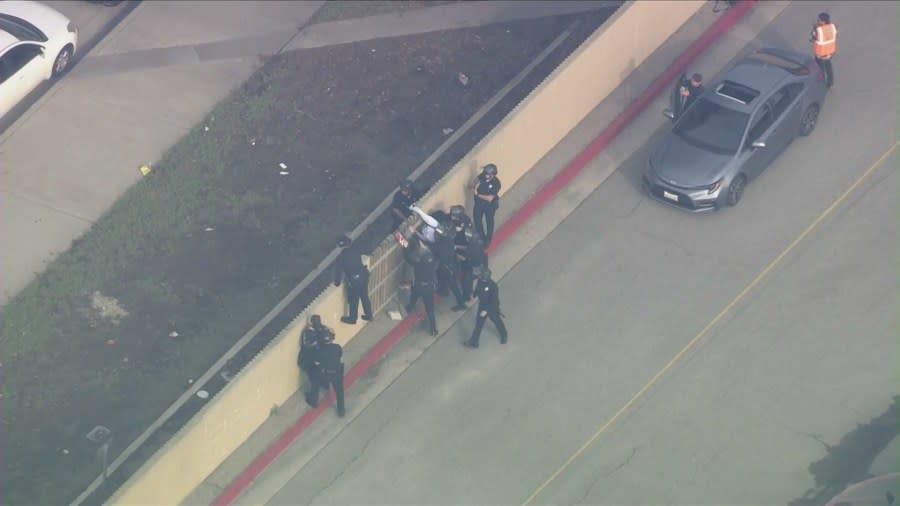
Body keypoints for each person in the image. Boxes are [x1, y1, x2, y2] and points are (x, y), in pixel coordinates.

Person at [400, 230, 439, 336]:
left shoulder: (418, 266)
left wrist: (404, 246)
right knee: (430, 309)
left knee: (414, 296)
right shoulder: (432, 264)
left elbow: (408, 258)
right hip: (429, 288)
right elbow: (428, 252)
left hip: (419, 287)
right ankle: (434, 329)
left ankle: (409, 307)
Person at [305, 329, 345, 417]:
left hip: (324, 374)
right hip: (337, 373)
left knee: (315, 380)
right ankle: (341, 411)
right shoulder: (337, 347)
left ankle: (313, 400)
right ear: (331, 338)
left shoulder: (318, 351)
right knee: (339, 392)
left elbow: (316, 363)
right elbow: (341, 360)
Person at [333, 235, 373, 324]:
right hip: (364, 275)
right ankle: (369, 315)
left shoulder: (341, 257)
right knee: (364, 296)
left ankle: (352, 318)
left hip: (355, 279)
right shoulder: (355, 250)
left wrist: (337, 283)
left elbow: (338, 272)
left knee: (354, 299)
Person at [464, 268, 508, 348]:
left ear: (485, 277)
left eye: (481, 276)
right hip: (482, 305)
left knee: (497, 322)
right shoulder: (480, 281)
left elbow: (494, 301)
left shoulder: (493, 286)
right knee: (478, 325)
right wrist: (474, 295)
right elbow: (478, 289)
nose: (479, 277)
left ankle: (504, 335)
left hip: (491, 308)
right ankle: (474, 342)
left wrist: (486, 310)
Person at [432, 222, 467, 311]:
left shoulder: (438, 246)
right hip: (453, 265)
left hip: (447, 269)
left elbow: (432, 249)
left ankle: (461, 303)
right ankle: (444, 290)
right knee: (448, 281)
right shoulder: (449, 240)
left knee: (453, 286)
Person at [297, 314, 330, 393]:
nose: (317, 323)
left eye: (318, 321)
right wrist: (318, 342)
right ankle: (315, 393)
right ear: (312, 322)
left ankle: (325, 383)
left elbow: (329, 338)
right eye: (315, 322)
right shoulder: (308, 331)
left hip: (322, 355)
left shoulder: (323, 328)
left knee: (325, 370)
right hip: (310, 357)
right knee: (314, 375)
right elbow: (307, 345)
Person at [471, 164, 501, 244]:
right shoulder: (482, 176)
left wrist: (477, 194)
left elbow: (490, 198)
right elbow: (474, 183)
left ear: (492, 175)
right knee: (477, 221)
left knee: (489, 222)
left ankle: (488, 240)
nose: (485, 174)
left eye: (487, 174)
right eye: (485, 172)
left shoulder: (496, 183)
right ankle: (481, 238)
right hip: (478, 204)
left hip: (489, 206)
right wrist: (474, 186)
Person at [461, 227, 488, 302]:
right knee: (480, 281)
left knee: (466, 280)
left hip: (474, 268)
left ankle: (467, 296)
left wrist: (457, 254)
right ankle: (476, 292)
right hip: (482, 265)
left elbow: (464, 258)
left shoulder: (471, 248)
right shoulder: (479, 243)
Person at [810, 12, 836, 88]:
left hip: (820, 53)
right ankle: (830, 82)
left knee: (820, 69)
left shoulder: (818, 30)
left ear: (823, 21)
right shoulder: (832, 27)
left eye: (819, 20)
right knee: (828, 67)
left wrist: (814, 29)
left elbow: (812, 38)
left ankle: (821, 83)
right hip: (829, 52)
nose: (817, 21)